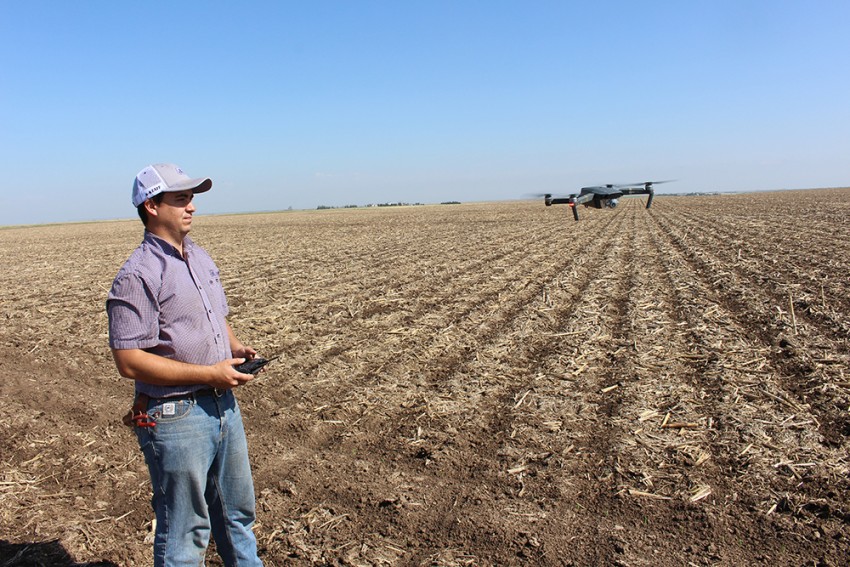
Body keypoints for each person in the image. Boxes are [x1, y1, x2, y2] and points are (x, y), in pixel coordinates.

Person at [106, 163, 263, 566]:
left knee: (237, 519)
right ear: (152, 206)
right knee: (185, 531)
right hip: (177, 416)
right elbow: (129, 361)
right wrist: (209, 373)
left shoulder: (198, 257)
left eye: (191, 198)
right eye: (180, 199)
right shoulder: (138, 275)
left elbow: (214, 315)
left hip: (223, 405)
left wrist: (236, 347)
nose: (191, 207)